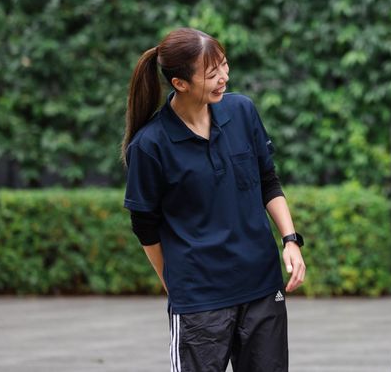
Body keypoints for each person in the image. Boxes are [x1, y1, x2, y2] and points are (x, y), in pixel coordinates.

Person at [122, 28, 305, 372]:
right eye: (211, 73)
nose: (224, 77)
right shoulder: (150, 145)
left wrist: (291, 240)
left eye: (224, 65)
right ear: (180, 83)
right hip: (199, 300)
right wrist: (174, 284)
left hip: (262, 287)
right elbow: (145, 226)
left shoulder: (242, 111)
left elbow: (268, 181)